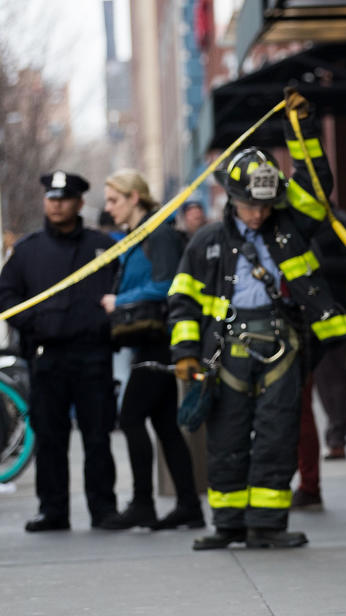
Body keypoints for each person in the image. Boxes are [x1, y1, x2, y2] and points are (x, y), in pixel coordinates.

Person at [168, 88, 346, 550]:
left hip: (283, 347)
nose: (259, 214)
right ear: (231, 199)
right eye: (251, 206)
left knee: (277, 435)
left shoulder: (293, 226)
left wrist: (302, 129)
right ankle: (228, 524)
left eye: (266, 206)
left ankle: (267, 526)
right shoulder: (206, 243)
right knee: (227, 438)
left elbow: (315, 183)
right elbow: (183, 301)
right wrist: (185, 355)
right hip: (226, 353)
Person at [0, 171, 119, 531]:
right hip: (47, 356)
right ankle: (52, 510)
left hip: (93, 355)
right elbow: (6, 297)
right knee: (50, 437)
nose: (56, 204)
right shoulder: (28, 250)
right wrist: (36, 323)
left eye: (64, 198)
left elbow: (119, 290)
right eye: (51, 198)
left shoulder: (101, 247)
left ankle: (104, 509)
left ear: (80, 203)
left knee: (97, 435)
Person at [97, 169, 204, 531]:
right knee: (165, 425)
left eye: (114, 200)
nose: (108, 207)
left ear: (134, 198)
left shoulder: (157, 233)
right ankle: (189, 505)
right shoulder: (139, 234)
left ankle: (144, 502)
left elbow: (169, 285)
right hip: (147, 338)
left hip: (159, 338)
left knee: (130, 418)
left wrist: (120, 300)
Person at [291, 206, 346, 510]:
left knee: (333, 381)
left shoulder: (341, 222)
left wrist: (318, 266)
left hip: (332, 311)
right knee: (306, 395)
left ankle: (337, 438)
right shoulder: (290, 222)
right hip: (299, 316)